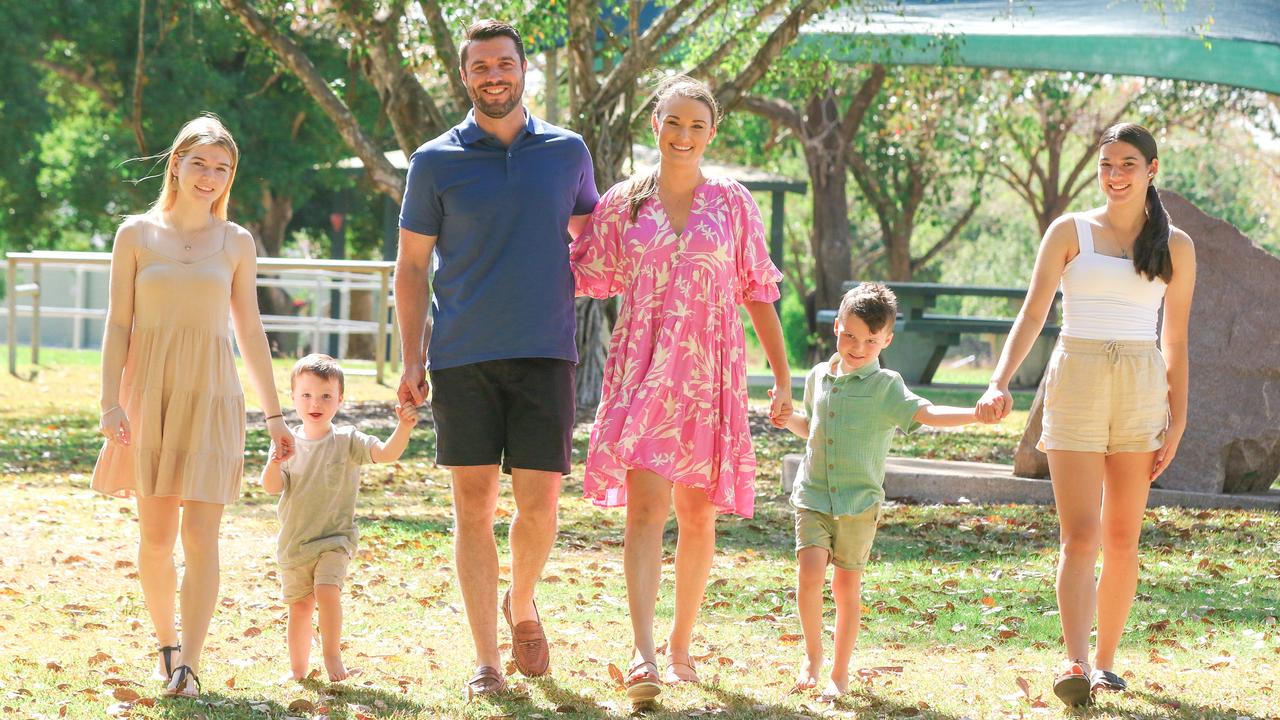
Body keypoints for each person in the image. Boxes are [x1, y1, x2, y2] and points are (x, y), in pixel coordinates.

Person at [569, 75, 791, 709]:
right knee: (646, 512)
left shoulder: (734, 203)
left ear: (711, 132)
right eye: (673, 122)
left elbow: (758, 292)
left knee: (697, 515)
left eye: (696, 125)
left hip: (709, 375)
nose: (683, 135)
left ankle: (681, 644)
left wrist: (779, 378)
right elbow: (582, 272)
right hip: (642, 372)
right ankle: (642, 652)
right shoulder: (623, 204)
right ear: (654, 125)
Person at [394, 19, 598, 699]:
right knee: (473, 504)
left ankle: (521, 604)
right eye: (480, 67)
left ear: (523, 70)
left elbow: (595, 238)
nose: (494, 76)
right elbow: (412, 266)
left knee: (538, 505)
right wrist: (410, 358)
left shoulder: (567, 151)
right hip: (462, 354)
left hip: (546, 350)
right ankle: (485, 657)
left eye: (504, 64)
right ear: (465, 76)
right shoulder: (434, 161)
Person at [975, 123, 1195, 707]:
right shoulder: (1069, 231)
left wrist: (1178, 418)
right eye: (1106, 166)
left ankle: (1105, 665)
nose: (1115, 176)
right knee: (1080, 535)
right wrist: (1000, 380)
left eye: (1127, 164)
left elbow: (1175, 341)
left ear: (1152, 169)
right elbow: (1032, 313)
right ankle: (1073, 660)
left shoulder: (1177, 246)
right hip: (1076, 378)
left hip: (1141, 388)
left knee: (1123, 537)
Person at [92, 114, 295, 697]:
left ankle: (191, 664)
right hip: (148, 395)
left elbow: (250, 331)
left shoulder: (236, 242)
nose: (209, 176)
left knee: (202, 536)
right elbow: (117, 324)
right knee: (157, 538)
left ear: (231, 177)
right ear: (175, 162)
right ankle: (165, 645)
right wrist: (111, 403)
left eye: (222, 168)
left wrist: (275, 415)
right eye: (199, 163)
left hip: (212, 395)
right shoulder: (135, 233)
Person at [783, 282, 988, 700]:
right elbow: (811, 429)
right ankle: (812, 654)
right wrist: (787, 419)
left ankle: (839, 673)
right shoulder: (819, 375)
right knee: (809, 574)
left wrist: (975, 414)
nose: (858, 347)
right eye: (850, 335)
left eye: (871, 340)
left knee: (845, 588)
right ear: (836, 327)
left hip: (859, 503)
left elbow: (927, 412)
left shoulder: (887, 386)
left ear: (887, 340)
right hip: (813, 494)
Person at [260, 354, 416, 682]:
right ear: (293, 398)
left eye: (326, 396)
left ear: (340, 399)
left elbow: (386, 454)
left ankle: (332, 656)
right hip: (295, 542)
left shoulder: (347, 440)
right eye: (306, 395)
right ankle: (298, 671)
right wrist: (274, 462)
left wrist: (404, 426)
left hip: (335, 539)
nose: (315, 403)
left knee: (327, 590)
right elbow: (272, 487)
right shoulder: (286, 443)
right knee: (300, 608)